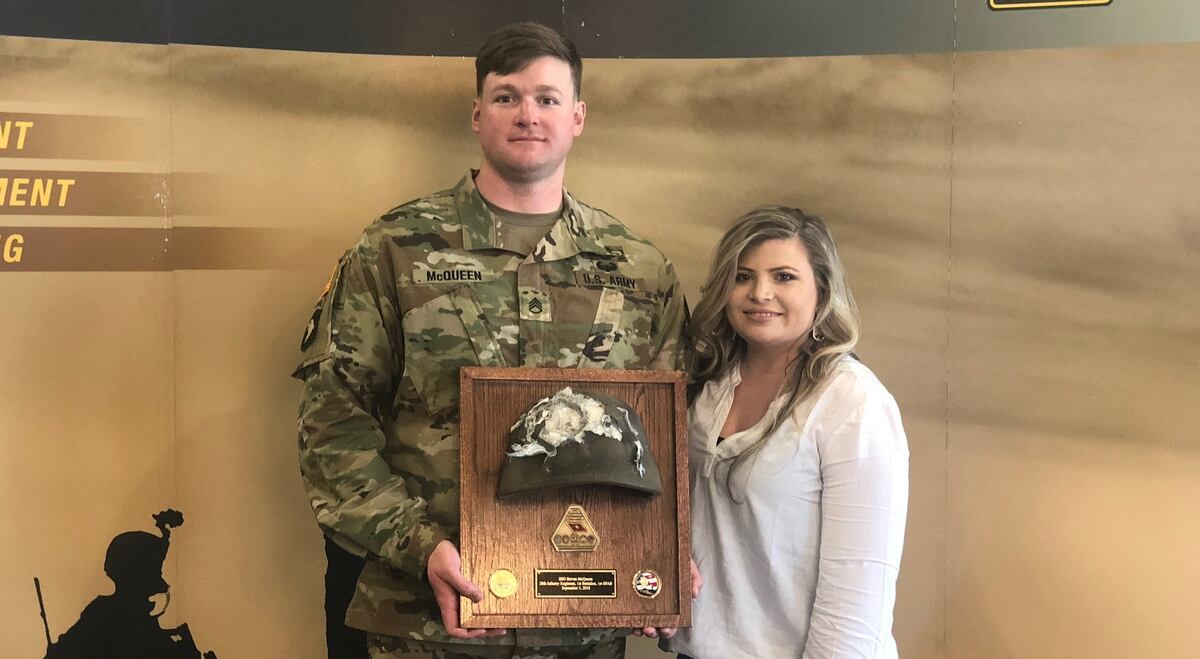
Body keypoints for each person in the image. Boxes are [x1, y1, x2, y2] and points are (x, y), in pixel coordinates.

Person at [292, 22, 689, 659]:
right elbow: (332, 424)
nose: (527, 114)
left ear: (578, 116)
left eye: (547, 98)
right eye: (507, 97)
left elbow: (671, 439)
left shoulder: (639, 270)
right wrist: (419, 545)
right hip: (428, 626)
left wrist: (661, 557)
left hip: (584, 624)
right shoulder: (395, 250)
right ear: (478, 114)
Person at [665, 207, 908, 659]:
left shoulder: (851, 403)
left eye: (784, 277)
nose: (760, 293)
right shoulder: (707, 388)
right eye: (743, 276)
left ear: (822, 289)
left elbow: (860, 591)